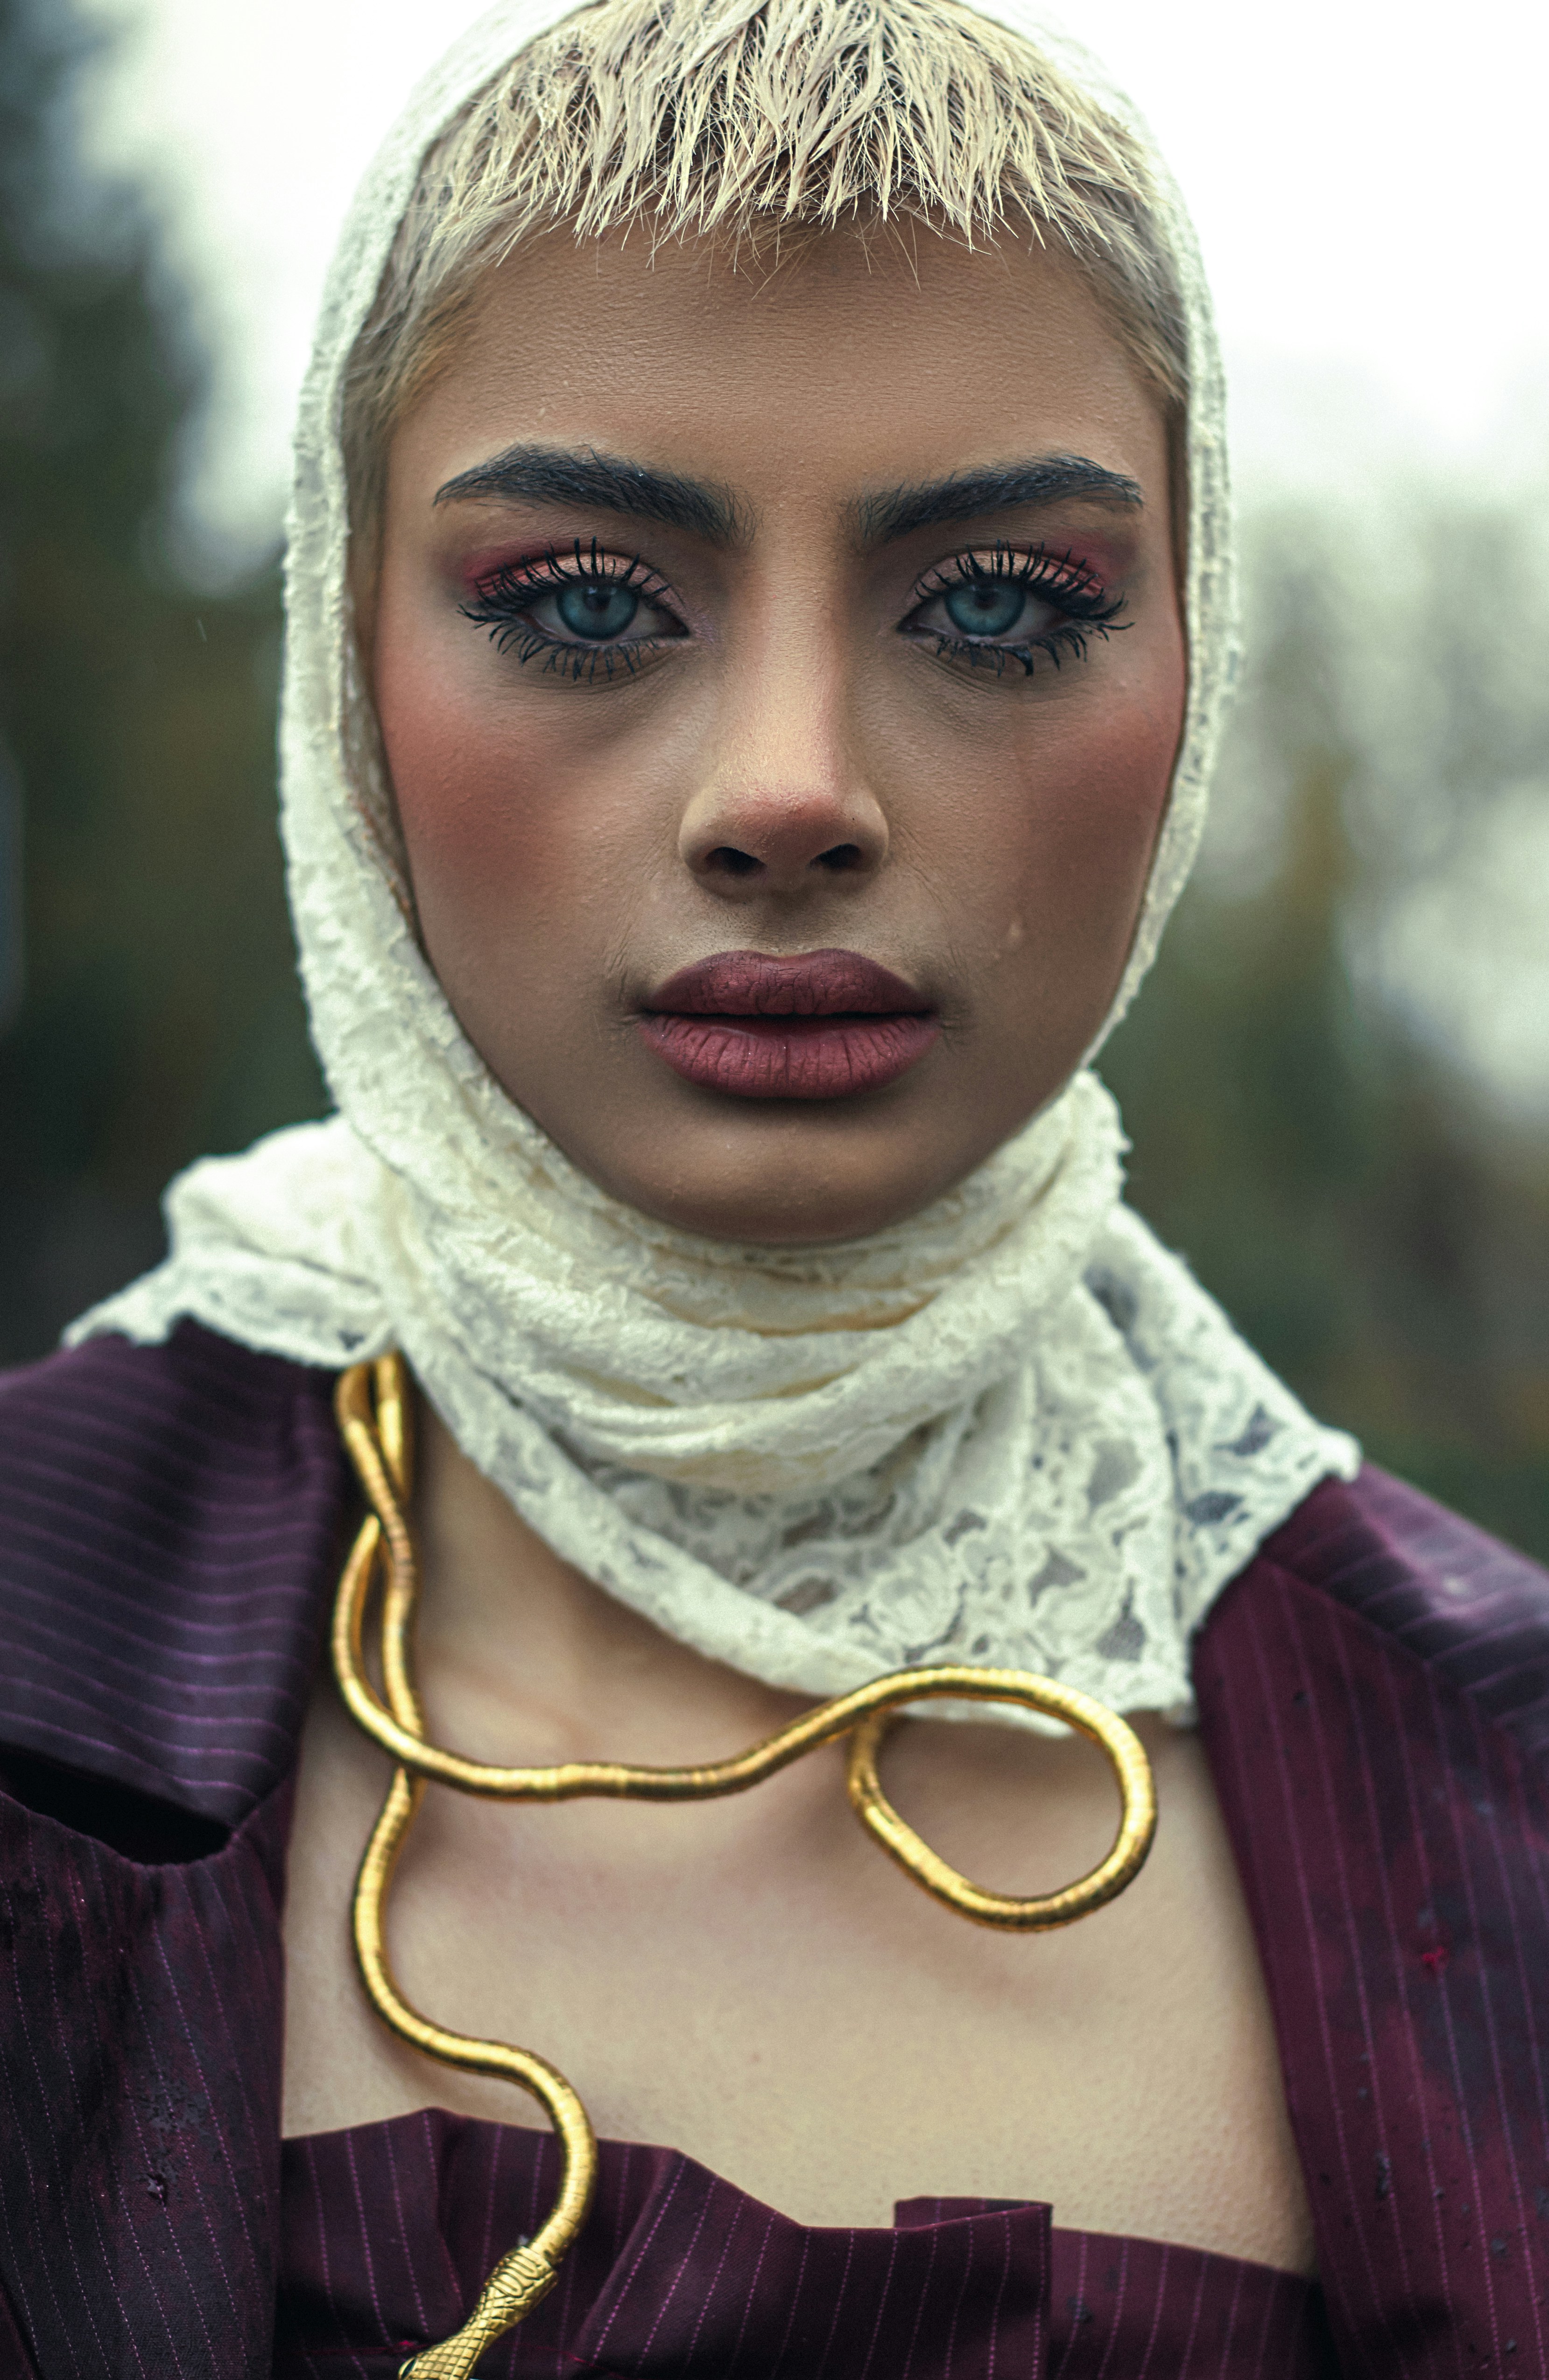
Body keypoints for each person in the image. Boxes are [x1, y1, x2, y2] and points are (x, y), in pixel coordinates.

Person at [2, 0, 1547, 2371]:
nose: (790, 787)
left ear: (1191, 655)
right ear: (345, 662)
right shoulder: (42, 1617)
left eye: (1001, 605)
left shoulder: (1492, 1797)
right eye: (588, 601)